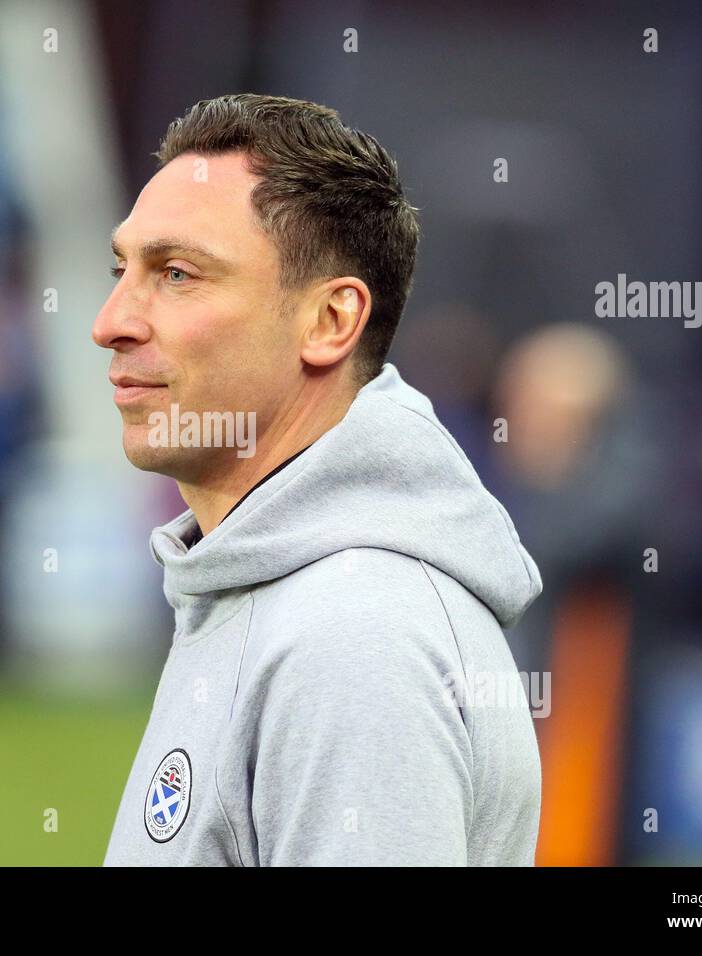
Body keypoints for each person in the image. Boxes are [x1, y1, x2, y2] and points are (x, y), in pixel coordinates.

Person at [94, 94, 542, 865]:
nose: (111, 321)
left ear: (330, 322)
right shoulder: (279, 592)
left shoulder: (355, 638)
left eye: (175, 273)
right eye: (121, 269)